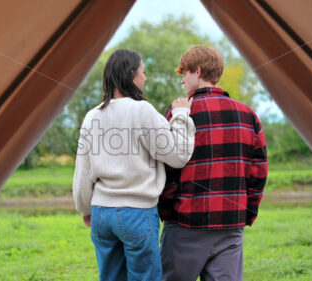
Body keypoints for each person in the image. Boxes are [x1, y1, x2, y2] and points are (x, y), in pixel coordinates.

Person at [72, 49, 196, 281]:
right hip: (136, 212)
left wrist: (85, 208)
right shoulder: (142, 110)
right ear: (131, 76)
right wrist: (181, 115)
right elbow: (178, 156)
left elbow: (83, 172)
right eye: (143, 72)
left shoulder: (92, 116)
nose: (146, 78)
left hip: (101, 214)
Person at [158, 45, 268, 281]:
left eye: (184, 73)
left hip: (185, 224)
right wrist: (246, 212)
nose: (182, 81)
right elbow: (258, 172)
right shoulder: (248, 115)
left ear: (197, 72)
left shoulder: (178, 115)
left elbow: (167, 170)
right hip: (230, 224)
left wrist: (168, 212)